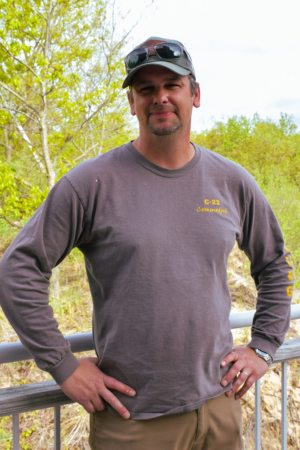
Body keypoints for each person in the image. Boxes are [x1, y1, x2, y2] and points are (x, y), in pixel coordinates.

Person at [0, 37, 294, 450]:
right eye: (145, 89)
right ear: (132, 103)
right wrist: (63, 365)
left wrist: (263, 347)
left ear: (195, 94)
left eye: (172, 85)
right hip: (132, 421)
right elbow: (17, 270)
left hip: (220, 408)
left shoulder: (232, 181)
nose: (160, 97)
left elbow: (276, 264)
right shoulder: (90, 185)